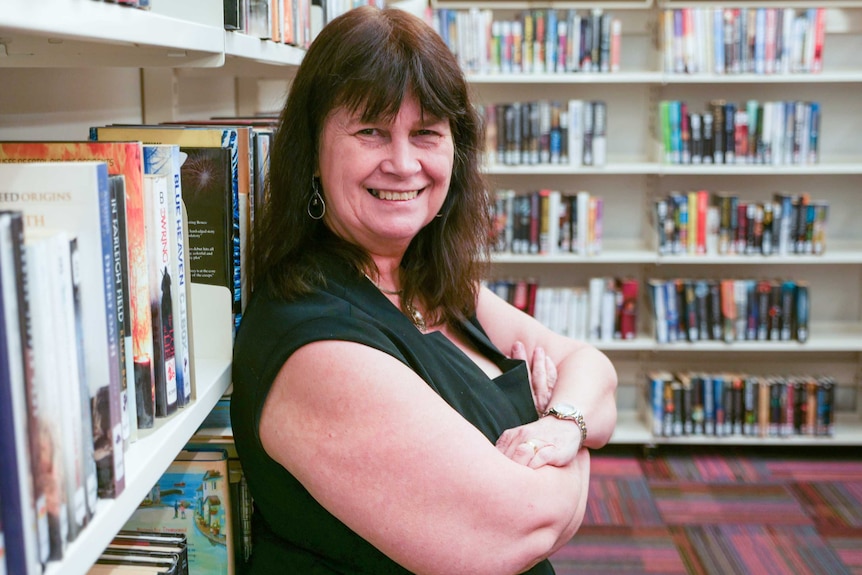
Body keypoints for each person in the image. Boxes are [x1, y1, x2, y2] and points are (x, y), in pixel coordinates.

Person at [230, 6, 618, 574]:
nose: (404, 163)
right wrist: (574, 441)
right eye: (371, 131)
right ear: (311, 152)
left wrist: (559, 424)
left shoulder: (425, 283)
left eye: (427, 133)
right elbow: (522, 526)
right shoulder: (314, 342)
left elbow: (596, 372)